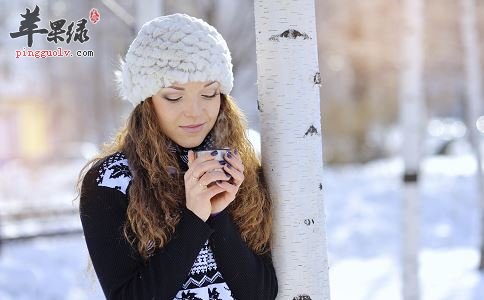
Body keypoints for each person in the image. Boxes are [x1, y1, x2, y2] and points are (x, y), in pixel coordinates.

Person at [76, 13, 277, 300]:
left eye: (209, 94)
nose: (195, 112)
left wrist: (219, 214)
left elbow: (261, 293)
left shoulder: (237, 167)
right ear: (146, 101)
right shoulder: (110, 181)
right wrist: (194, 218)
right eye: (173, 96)